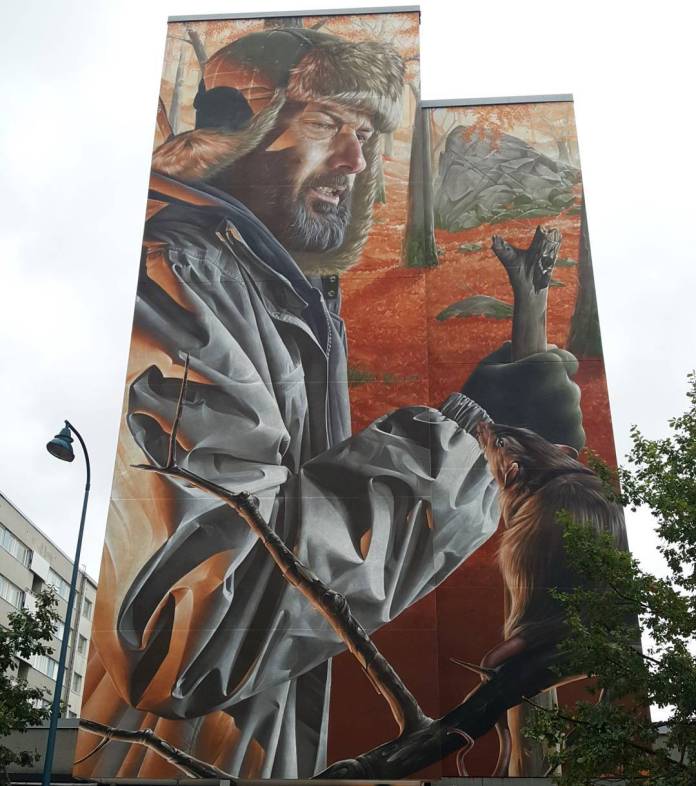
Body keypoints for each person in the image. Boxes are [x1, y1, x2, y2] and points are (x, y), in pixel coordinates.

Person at [77, 27, 584, 778]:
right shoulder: (185, 278)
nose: (353, 161)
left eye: (367, 133)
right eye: (322, 123)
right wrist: (469, 438)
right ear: (234, 134)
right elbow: (182, 638)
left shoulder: (288, 295)